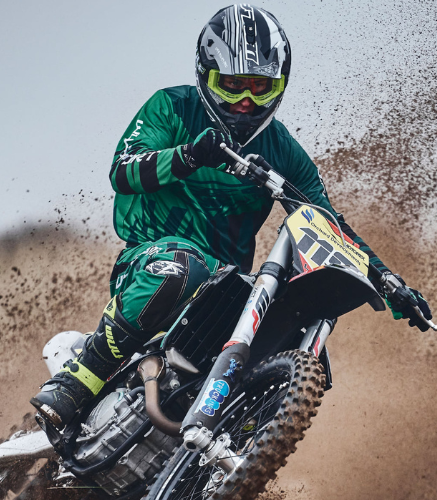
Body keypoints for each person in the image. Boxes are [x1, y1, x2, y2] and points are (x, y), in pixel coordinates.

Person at [31, 4, 432, 430]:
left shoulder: (285, 153)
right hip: (152, 263)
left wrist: (388, 282)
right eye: (233, 86)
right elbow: (123, 171)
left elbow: (327, 224)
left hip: (226, 289)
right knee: (183, 267)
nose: (244, 102)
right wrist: (188, 156)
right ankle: (79, 380)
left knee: (288, 326)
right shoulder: (171, 107)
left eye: (260, 87)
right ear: (206, 76)